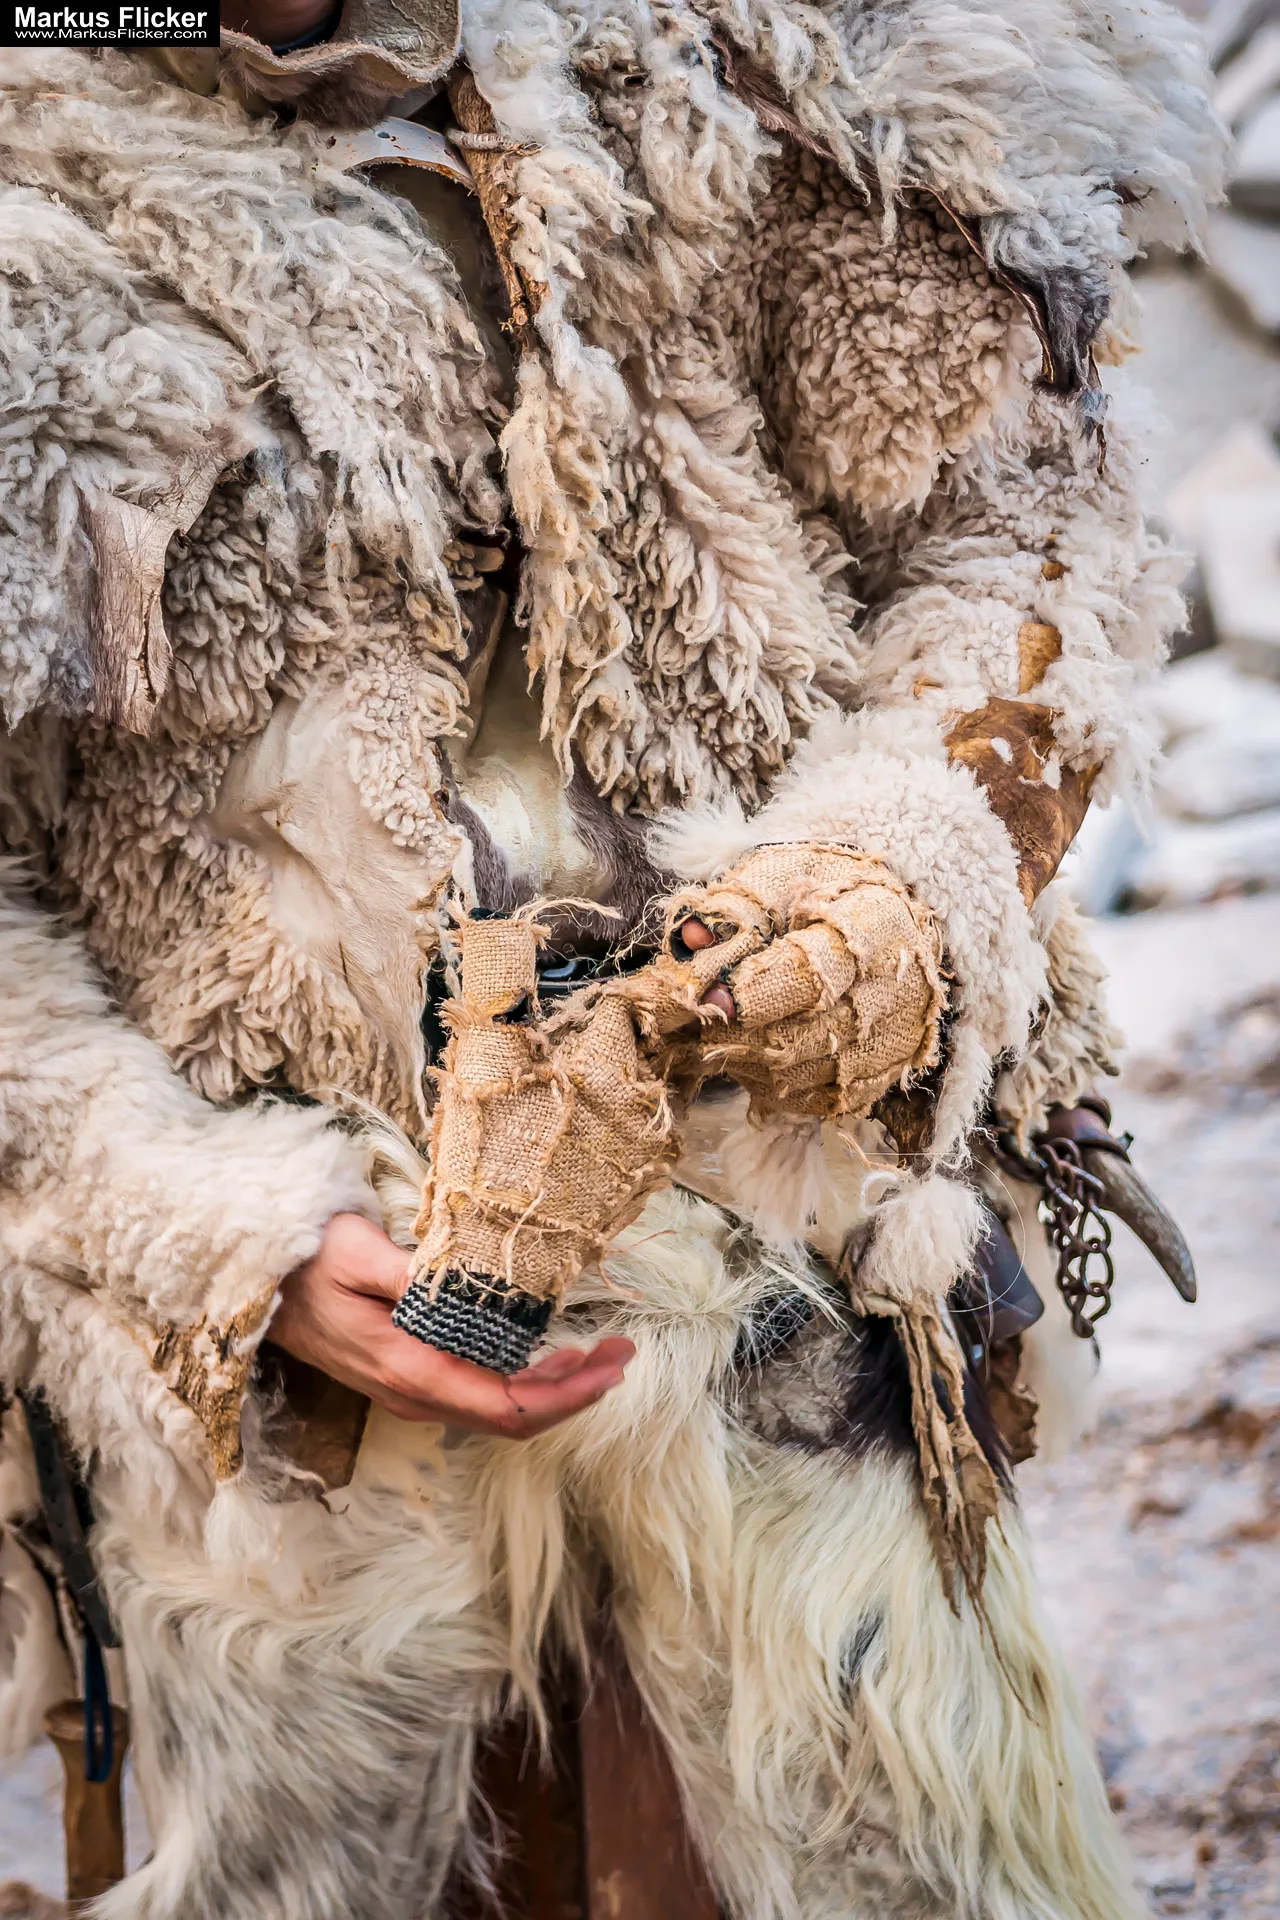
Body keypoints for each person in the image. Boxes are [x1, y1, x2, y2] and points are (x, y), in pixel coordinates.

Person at [0, 0, 1218, 1910]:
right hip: (295, 1334)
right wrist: (211, 1234)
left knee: (919, 1847)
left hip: (798, 1227)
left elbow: (1024, 519)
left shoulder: (734, 49)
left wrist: (887, 884)